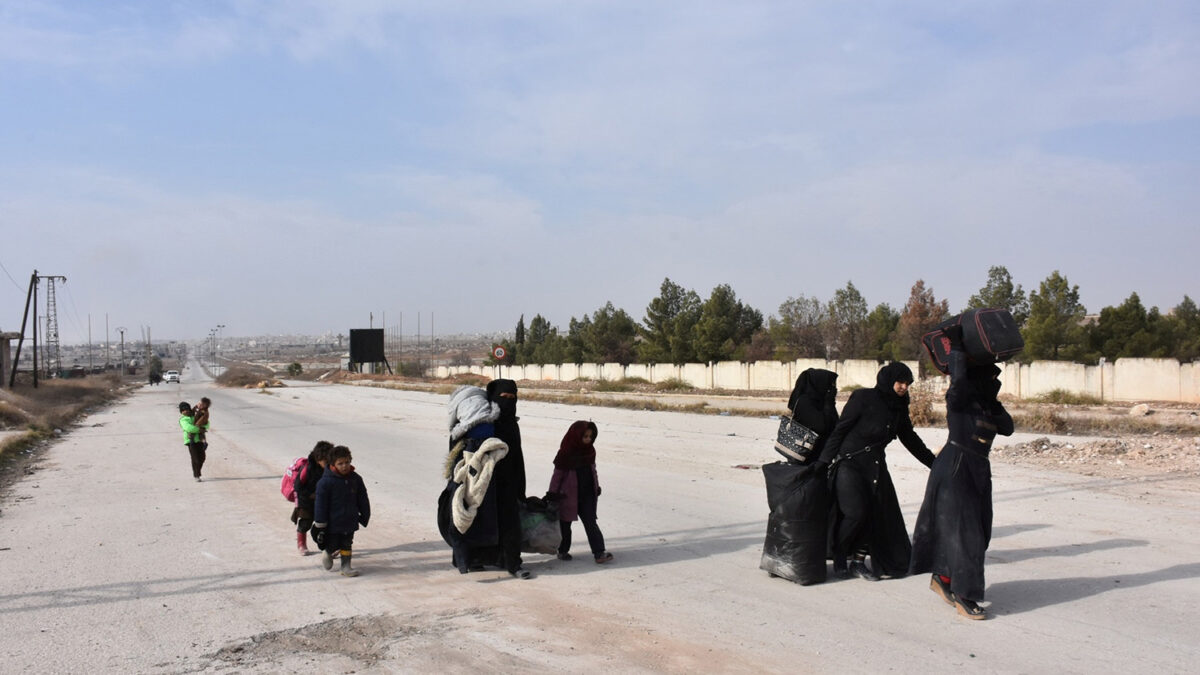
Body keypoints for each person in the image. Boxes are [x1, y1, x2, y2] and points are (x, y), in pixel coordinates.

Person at [910, 327, 1014, 620]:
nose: (996, 382)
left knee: (979, 531)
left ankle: (942, 578)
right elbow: (958, 382)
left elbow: (1008, 427)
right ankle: (964, 596)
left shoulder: (986, 406)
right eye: (991, 378)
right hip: (955, 467)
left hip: (978, 469)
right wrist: (956, 348)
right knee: (966, 534)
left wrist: (993, 401)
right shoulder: (960, 401)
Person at [817, 361, 934, 581]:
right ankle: (840, 555)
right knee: (855, 512)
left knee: (876, 514)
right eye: (900, 382)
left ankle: (859, 562)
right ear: (889, 380)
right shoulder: (862, 398)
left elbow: (910, 439)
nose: (903, 387)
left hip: (875, 466)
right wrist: (824, 461)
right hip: (849, 463)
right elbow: (840, 430)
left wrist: (934, 465)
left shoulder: (898, 407)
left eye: (907, 384)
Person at [548, 420, 614, 564]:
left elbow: (593, 471)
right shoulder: (565, 453)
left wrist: (596, 487)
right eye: (585, 437)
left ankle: (599, 553)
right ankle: (563, 551)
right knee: (565, 525)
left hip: (587, 495)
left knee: (591, 523)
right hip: (568, 496)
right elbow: (557, 476)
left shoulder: (590, 451)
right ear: (576, 436)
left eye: (590, 437)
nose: (588, 440)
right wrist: (552, 495)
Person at [486, 379, 533, 578]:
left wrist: (520, 485)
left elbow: (518, 456)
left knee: (511, 521)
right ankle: (482, 559)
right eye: (503, 397)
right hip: (486, 480)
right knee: (485, 520)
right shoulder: (485, 422)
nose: (507, 402)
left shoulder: (512, 424)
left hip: (509, 480)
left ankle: (514, 563)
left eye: (512, 398)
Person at [313, 445, 370, 577]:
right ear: (333, 464)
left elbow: (363, 498)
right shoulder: (325, 482)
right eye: (340, 463)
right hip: (332, 522)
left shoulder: (355, 479)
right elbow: (320, 504)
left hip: (350, 518)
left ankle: (346, 566)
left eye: (347, 462)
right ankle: (328, 551)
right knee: (333, 544)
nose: (345, 466)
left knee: (347, 543)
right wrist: (320, 523)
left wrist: (365, 515)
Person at [291, 440, 333, 556]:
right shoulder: (308, 469)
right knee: (305, 523)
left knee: (325, 525)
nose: (329, 463)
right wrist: (310, 495)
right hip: (306, 502)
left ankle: (329, 547)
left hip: (322, 502)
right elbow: (297, 486)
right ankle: (301, 544)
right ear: (317, 459)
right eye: (326, 461)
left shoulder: (329, 469)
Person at [178, 401, 209, 482]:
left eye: (187, 409)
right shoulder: (183, 419)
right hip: (190, 441)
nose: (186, 411)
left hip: (199, 440)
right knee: (195, 458)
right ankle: (196, 475)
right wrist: (199, 430)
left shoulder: (195, 416)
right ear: (181, 412)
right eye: (184, 410)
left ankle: (197, 472)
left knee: (202, 458)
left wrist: (204, 426)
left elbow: (206, 423)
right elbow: (189, 428)